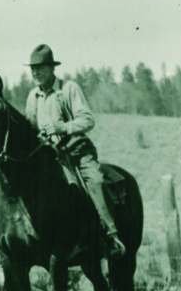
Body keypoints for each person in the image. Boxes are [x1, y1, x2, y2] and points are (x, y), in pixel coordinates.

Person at [24, 43, 126, 258]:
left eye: (40, 67)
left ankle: (111, 234)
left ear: (52, 68)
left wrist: (64, 127)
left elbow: (88, 120)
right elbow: (30, 129)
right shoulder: (32, 97)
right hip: (50, 157)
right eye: (33, 68)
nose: (36, 72)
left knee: (96, 182)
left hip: (77, 152)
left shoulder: (68, 89)